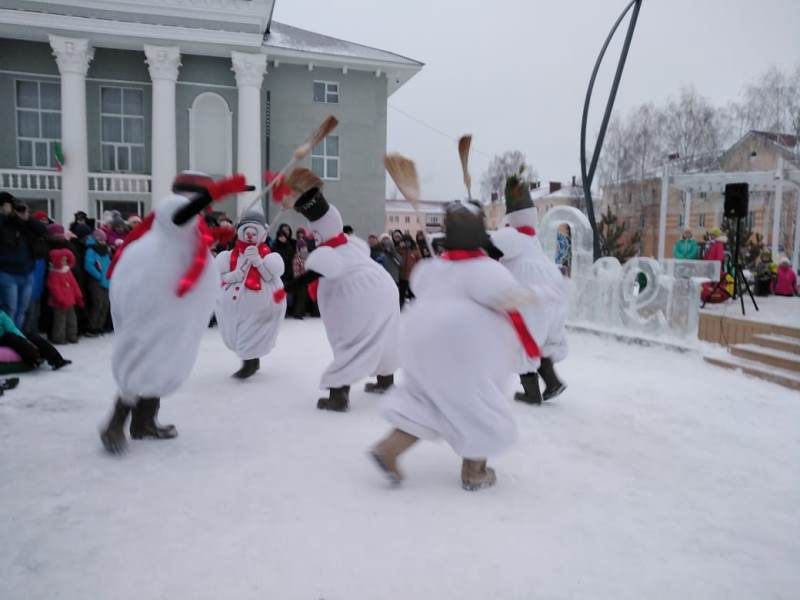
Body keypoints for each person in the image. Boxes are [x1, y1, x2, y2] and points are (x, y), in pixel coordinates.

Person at [370, 200, 539, 491]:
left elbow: (417, 285)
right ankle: (475, 471)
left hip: (421, 344)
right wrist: (541, 293)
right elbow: (509, 298)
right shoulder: (486, 270)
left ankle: (389, 449)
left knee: (425, 402)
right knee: (476, 406)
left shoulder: (434, 268)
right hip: (462, 351)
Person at [99, 171, 253, 454]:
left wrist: (219, 234)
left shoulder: (185, 224)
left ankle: (144, 423)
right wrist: (219, 191)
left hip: (173, 307)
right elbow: (183, 216)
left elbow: (191, 237)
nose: (206, 209)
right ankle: (114, 424)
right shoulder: (172, 209)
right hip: (158, 303)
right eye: (204, 200)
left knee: (163, 360)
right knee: (144, 359)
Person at [273, 170, 400, 409]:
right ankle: (385, 378)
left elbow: (312, 274)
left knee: (351, 342)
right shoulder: (352, 244)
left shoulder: (327, 253)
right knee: (384, 335)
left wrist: (285, 289)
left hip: (357, 295)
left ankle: (338, 394)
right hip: (385, 288)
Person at [490, 175, 568, 404]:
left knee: (522, 339)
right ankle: (552, 382)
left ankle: (532, 393)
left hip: (527, 294)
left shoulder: (510, 236)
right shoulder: (533, 241)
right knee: (539, 341)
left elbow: (494, 249)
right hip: (550, 290)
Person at [214, 211, 285, 379]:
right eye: (246, 230)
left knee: (254, 330)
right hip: (232, 302)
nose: (250, 235)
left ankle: (249, 363)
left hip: (261, 301)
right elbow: (220, 277)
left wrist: (258, 261)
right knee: (237, 331)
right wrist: (234, 276)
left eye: (254, 231)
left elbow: (269, 275)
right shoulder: (229, 256)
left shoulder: (268, 255)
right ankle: (252, 359)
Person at [0, 194, 48, 328]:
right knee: (10, 310)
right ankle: (8, 341)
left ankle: (17, 340)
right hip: (7, 274)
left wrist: (27, 217)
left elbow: (43, 230)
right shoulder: (4, 223)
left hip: (27, 273)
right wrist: (6, 215)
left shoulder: (25, 224)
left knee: (22, 310)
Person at [0, 308, 71, 370]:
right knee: (12, 338)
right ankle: (33, 359)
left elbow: (12, 328)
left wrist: (24, 338)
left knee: (31, 336)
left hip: (4, 335)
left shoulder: (2, 314)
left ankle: (57, 360)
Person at [47, 247, 83, 344]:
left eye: (65, 260)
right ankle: (58, 337)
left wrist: (78, 296)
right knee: (60, 321)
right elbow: (54, 288)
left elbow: (74, 284)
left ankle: (72, 335)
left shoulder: (67, 271)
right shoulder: (54, 274)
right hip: (59, 303)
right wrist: (61, 299)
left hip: (70, 301)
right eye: (62, 260)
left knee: (72, 319)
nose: (64, 262)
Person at [83, 230, 111, 336]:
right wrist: (99, 276)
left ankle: (100, 326)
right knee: (98, 304)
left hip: (106, 280)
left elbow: (108, 264)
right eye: (100, 239)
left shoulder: (105, 250)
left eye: (104, 239)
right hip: (96, 281)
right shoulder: (91, 250)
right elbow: (88, 265)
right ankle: (92, 327)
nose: (103, 241)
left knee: (105, 305)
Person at [397, 233, 421, 308]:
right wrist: (399, 247)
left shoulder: (415, 250)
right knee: (401, 295)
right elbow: (395, 254)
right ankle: (400, 310)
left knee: (412, 296)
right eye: (405, 241)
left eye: (408, 241)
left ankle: (414, 311)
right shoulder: (400, 250)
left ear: (411, 241)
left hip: (412, 277)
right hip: (402, 277)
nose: (407, 243)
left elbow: (420, 262)